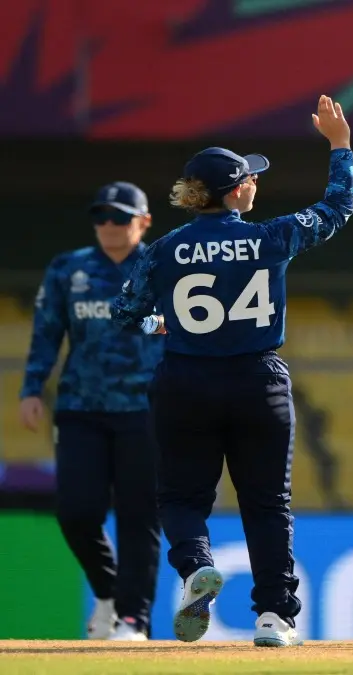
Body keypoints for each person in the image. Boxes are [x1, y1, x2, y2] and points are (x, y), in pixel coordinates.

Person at [111, 95, 353, 648]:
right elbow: (338, 207)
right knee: (267, 503)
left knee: (181, 497)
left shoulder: (166, 249)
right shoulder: (270, 236)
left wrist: (167, 325)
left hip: (185, 381)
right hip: (257, 381)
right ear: (238, 189)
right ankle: (274, 617)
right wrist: (340, 146)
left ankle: (196, 565)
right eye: (249, 177)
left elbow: (125, 315)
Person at [19, 182, 164, 641]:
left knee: (140, 515)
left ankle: (133, 618)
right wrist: (32, 387)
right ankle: (107, 592)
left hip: (147, 409)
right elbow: (47, 330)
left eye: (120, 217)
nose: (108, 226)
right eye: (101, 216)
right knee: (76, 511)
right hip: (82, 405)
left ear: (144, 221)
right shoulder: (69, 268)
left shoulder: (163, 267)